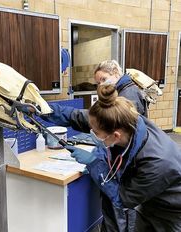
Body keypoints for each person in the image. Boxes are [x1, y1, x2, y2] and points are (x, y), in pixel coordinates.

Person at [64, 84, 181, 232]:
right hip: (150, 202)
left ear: (116, 136)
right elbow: (80, 118)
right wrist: (45, 112)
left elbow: (122, 199)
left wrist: (94, 164)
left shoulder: (157, 163)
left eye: (96, 132)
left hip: (171, 212)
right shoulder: (130, 122)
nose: (92, 134)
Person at [42, 60, 147, 134]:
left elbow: (102, 120)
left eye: (103, 79)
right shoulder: (123, 90)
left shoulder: (128, 94)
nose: (101, 85)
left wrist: (49, 110)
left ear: (115, 73)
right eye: (98, 83)